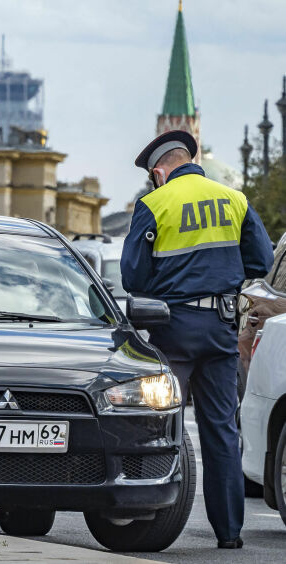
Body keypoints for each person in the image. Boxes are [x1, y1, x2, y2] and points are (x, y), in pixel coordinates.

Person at [121, 130, 274, 549]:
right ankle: (229, 533)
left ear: (158, 172)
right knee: (222, 429)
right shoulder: (234, 199)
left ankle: (145, 517)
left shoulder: (154, 203)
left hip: (174, 327)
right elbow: (261, 261)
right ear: (191, 159)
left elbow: (133, 277)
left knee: (160, 422)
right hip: (222, 328)